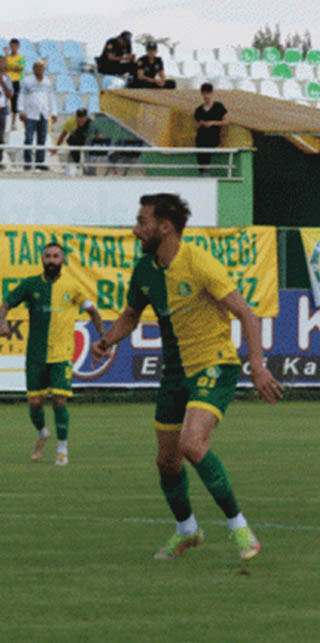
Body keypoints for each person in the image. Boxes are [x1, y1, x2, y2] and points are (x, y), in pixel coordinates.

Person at [90, 193, 282, 561]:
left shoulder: (199, 264)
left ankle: (239, 528)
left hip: (215, 364)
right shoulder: (146, 269)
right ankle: (187, 531)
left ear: (164, 227)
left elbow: (247, 314)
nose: (135, 229)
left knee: (192, 444)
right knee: (166, 461)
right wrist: (107, 340)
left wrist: (257, 366)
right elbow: (131, 315)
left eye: (142, 221)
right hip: (175, 374)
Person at [0, 242, 104, 466]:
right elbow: (5, 304)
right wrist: (1, 323)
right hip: (35, 354)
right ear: (42, 260)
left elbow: (93, 311)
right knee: (35, 403)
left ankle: (62, 448)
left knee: (59, 401)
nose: (52, 260)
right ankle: (42, 433)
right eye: (48, 256)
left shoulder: (73, 286)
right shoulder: (31, 284)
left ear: (63, 260)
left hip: (62, 354)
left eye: (56, 256)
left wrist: (104, 338)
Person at [18, 59, 56, 170]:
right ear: (33, 69)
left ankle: (40, 162)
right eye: (37, 67)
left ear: (44, 69)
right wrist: (21, 111)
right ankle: (28, 163)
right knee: (29, 139)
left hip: (43, 114)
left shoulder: (47, 82)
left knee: (42, 139)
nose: (39, 69)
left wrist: (53, 112)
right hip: (30, 114)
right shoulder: (27, 81)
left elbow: (51, 98)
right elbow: (21, 96)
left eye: (41, 67)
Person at [193, 83, 229, 172]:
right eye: (204, 93)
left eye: (208, 93)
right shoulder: (199, 110)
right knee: (202, 161)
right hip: (201, 138)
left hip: (213, 138)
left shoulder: (218, 106)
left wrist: (213, 123)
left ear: (212, 93)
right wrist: (201, 124)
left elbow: (226, 121)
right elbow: (196, 126)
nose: (206, 96)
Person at [4, 38, 24, 130]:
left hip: (16, 81)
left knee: (14, 102)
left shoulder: (21, 57)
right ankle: (3, 121)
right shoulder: (7, 57)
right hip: (7, 81)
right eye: (11, 46)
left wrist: (10, 67)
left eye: (15, 46)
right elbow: (4, 67)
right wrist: (13, 67)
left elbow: (20, 68)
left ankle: (13, 123)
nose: (13, 48)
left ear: (18, 47)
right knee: (4, 101)